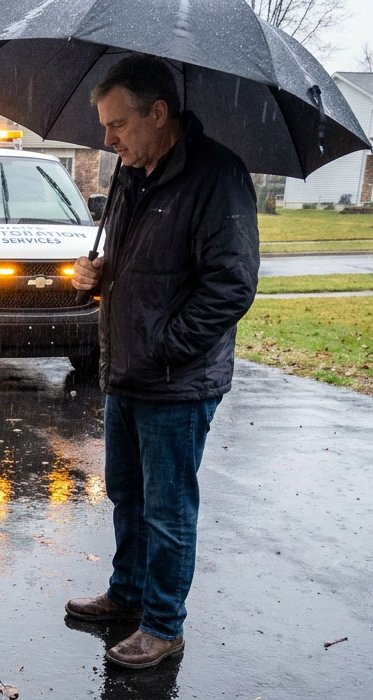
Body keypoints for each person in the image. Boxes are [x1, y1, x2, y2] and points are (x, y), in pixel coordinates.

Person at [66, 54, 259, 669]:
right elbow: (132, 265)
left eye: (117, 124)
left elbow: (231, 285)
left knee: (169, 509)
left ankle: (164, 623)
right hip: (126, 371)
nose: (108, 138)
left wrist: (166, 345)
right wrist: (94, 274)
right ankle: (127, 595)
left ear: (158, 112)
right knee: (126, 493)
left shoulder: (217, 177)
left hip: (177, 381)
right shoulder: (128, 175)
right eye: (104, 126)